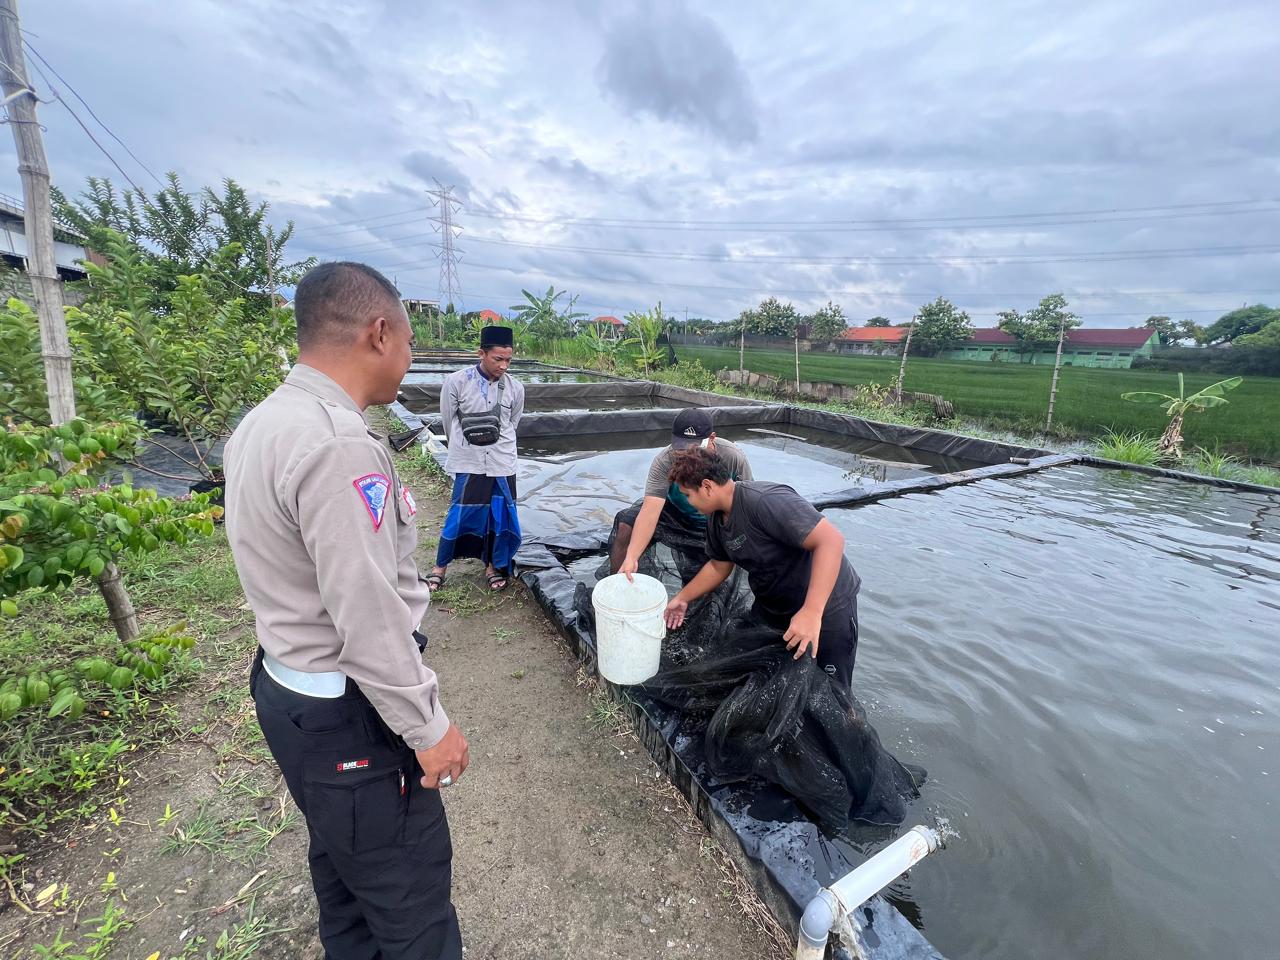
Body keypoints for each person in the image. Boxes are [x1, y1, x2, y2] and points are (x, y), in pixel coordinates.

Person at [224, 262, 467, 960]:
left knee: (347, 883)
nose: (410, 358)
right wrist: (428, 726)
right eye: (410, 342)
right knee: (410, 906)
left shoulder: (266, 422)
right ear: (378, 333)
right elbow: (367, 614)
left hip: (291, 693)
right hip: (348, 716)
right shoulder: (337, 445)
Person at [662, 447, 861, 687]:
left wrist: (811, 612)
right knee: (744, 665)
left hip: (826, 608)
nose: (686, 502)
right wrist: (682, 598)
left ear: (707, 486)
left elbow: (831, 541)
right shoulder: (716, 519)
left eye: (687, 495)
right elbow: (718, 566)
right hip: (774, 608)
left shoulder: (765, 500)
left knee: (829, 689)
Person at [428, 325, 524, 592]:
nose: (504, 366)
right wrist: (464, 449)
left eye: (508, 360)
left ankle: (492, 565)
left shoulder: (516, 388)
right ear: (481, 353)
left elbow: (512, 423)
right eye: (498, 359)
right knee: (460, 513)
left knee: (499, 515)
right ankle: (440, 566)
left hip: (502, 462)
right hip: (469, 460)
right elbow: (449, 421)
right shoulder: (457, 382)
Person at [611, 409, 753, 579]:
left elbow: (745, 505)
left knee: (700, 577)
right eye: (681, 449)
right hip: (675, 514)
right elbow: (650, 512)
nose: (687, 456)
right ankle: (617, 584)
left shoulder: (733, 457)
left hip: (714, 521)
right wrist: (632, 556)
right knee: (627, 524)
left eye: (694, 448)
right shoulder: (664, 460)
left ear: (712, 438)